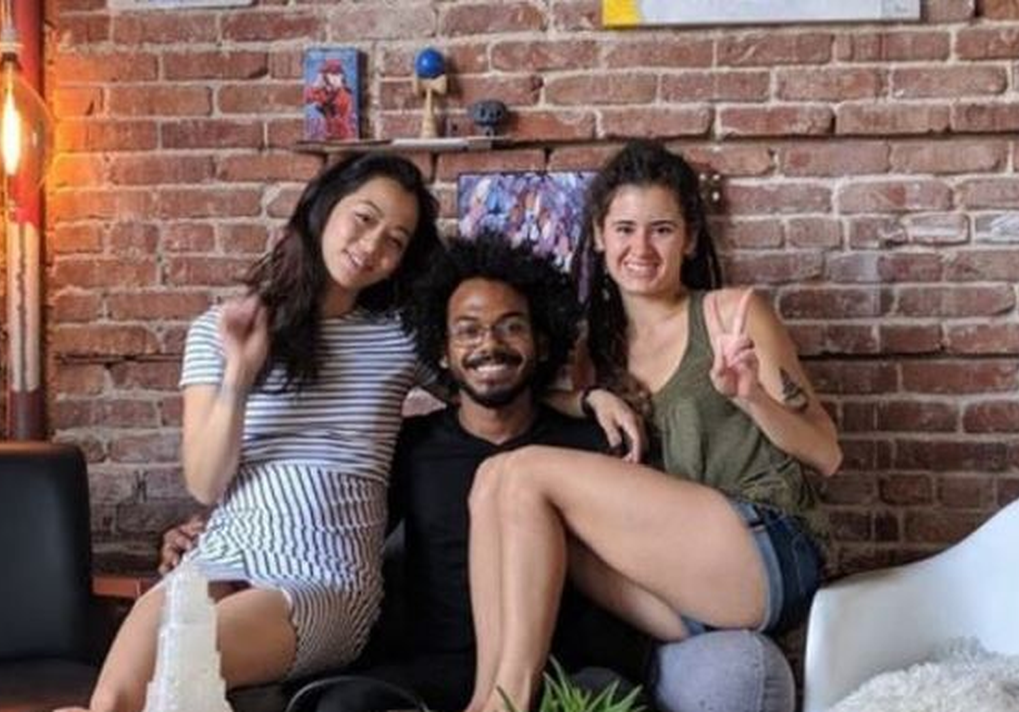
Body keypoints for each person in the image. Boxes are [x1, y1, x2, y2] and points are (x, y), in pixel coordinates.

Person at [161, 235, 652, 712]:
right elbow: (328, 529)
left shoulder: (589, 444)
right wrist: (210, 536)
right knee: (340, 705)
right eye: (468, 331)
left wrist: (588, 399)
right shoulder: (411, 448)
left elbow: (636, 565)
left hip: (560, 671)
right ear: (441, 353)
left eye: (511, 327)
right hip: (435, 669)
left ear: (542, 344)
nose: (490, 344)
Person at [463, 139, 844, 712]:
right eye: (625, 229)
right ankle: (485, 701)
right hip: (682, 590)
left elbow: (827, 454)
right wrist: (590, 397)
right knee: (493, 482)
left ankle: (505, 707)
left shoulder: (731, 314)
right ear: (599, 235)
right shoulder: (599, 349)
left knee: (522, 474)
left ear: (688, 239)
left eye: (661, 230)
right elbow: (542, 399)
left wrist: (752, 398)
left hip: (768, 550)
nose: (640, 248)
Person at [68, 152, 442, 712]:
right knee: (111, 700)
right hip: (225, 551)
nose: (372, 247)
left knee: (178, 669)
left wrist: (577, 395)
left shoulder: (400, 339)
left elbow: (490, 390)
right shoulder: (221, 331)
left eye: (396, 240)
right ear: (324, 208)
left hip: (326, 574)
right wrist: (241, 372)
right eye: (364, 219)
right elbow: (205, 483)